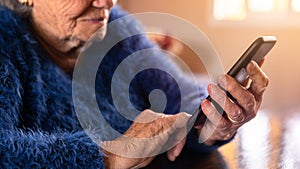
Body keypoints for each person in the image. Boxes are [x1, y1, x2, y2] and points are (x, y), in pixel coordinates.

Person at [0, 0, 269, 168]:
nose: (106, 3)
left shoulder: (116, 27)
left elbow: (180, 91)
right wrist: (106, 156)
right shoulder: (4, 39)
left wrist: (213, 120)